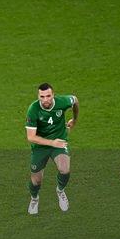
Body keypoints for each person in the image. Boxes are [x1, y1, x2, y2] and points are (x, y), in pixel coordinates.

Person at [25, 83, 78, 214]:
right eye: (42, 96)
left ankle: (60, 190)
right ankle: (34, 198)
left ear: (53, 95)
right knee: (36, 181)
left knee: (65, 170)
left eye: (48, 96)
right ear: (38, 96)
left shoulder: (63, 102)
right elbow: (31, 137)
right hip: (40, 146)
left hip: (59, 141)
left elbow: (75, 100)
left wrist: (75, 119)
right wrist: (51, 142)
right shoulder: (33, 109)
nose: (45, 100)